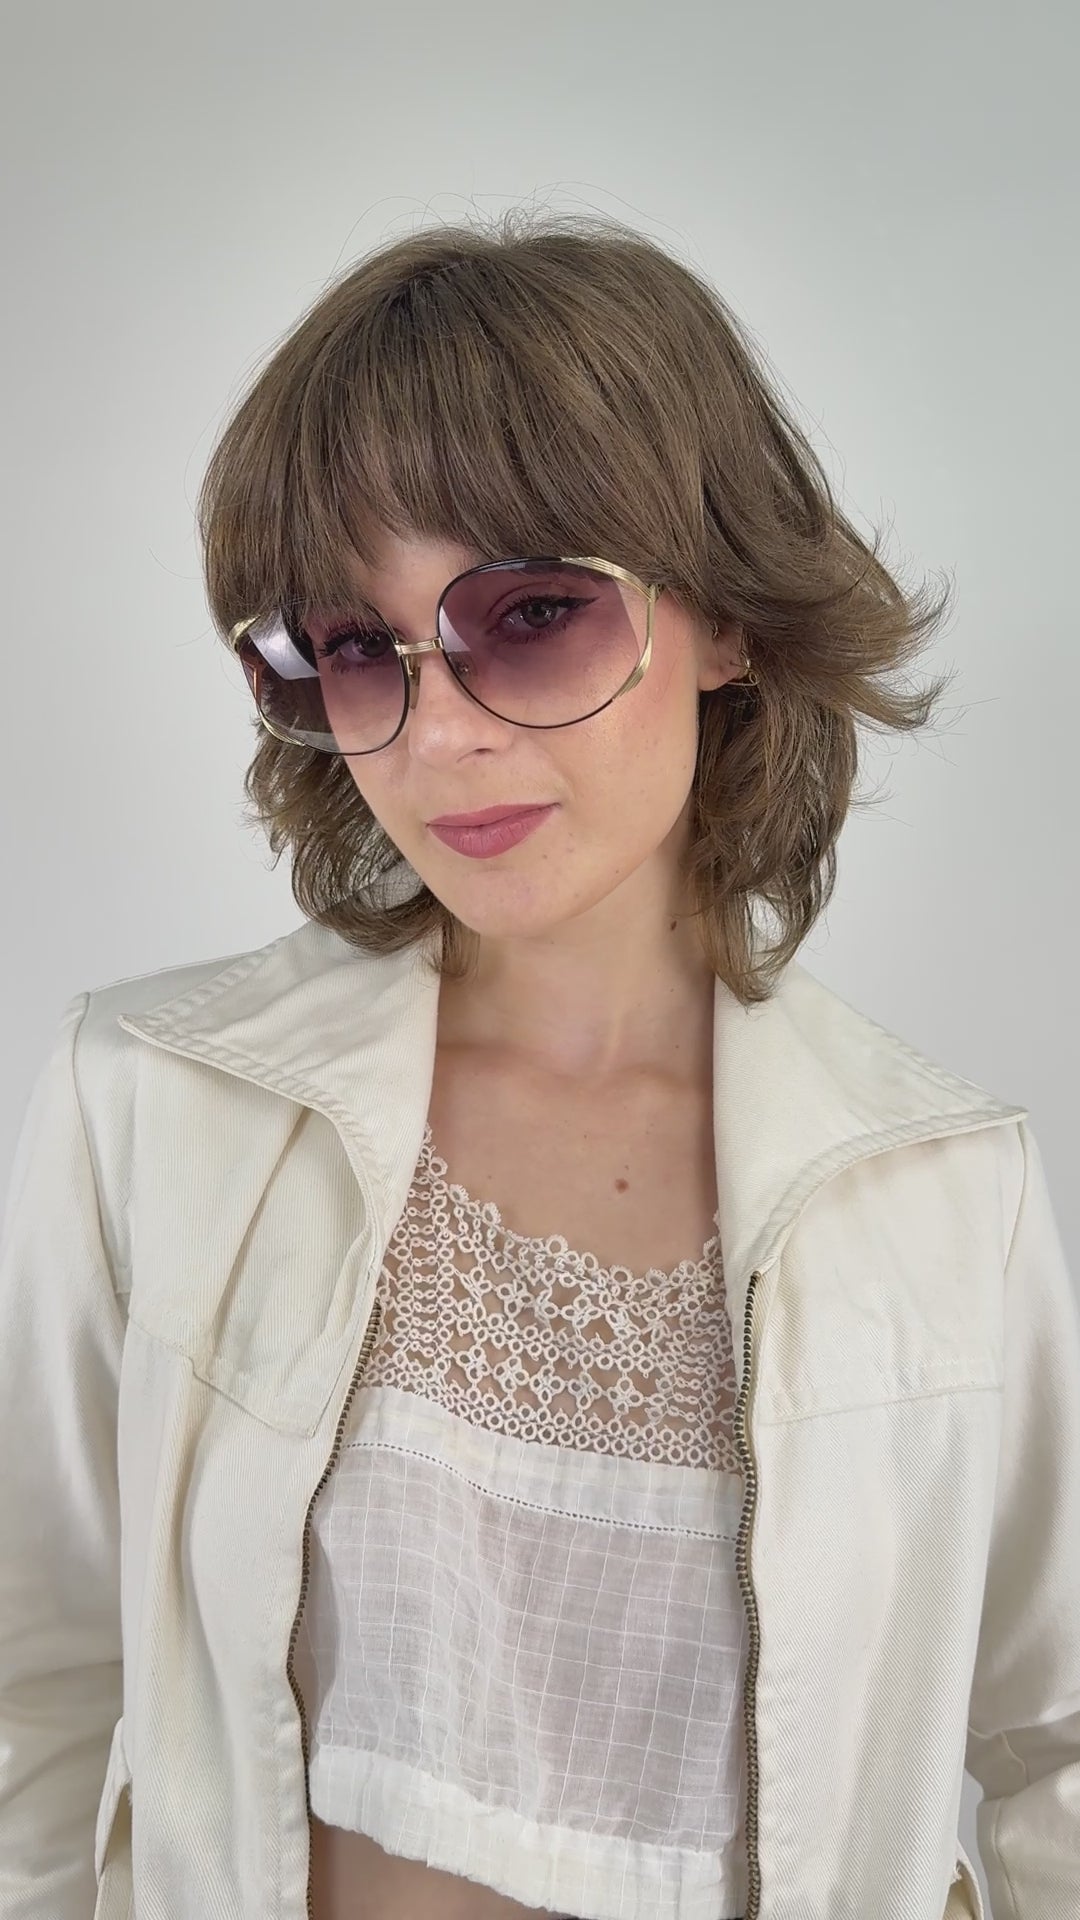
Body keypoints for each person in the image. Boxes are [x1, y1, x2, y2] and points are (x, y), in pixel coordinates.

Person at [1, 211, 1076, 1920]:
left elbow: (1056, 1747)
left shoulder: (940, 1191)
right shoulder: (157, 1107)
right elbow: (31, 1699)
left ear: (725, 620)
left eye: (535, 614)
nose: (441, 731)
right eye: (356, 647)